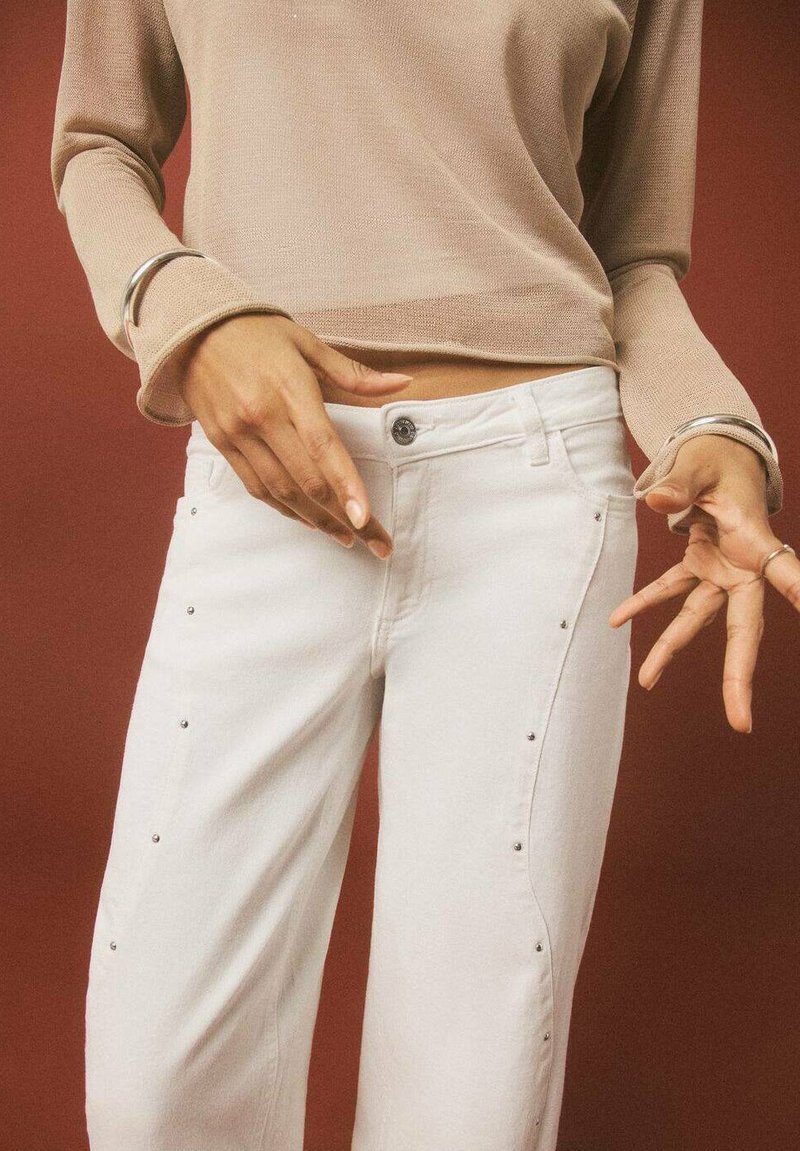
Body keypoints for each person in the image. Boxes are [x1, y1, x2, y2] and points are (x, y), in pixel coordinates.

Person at [50, 1, 795, 1148]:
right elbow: (98, 142)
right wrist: (190, 314)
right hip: (272, 481)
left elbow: (631, 255)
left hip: (533, 496)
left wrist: (715, 428)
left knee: (469, 1103)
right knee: (157, 1092)